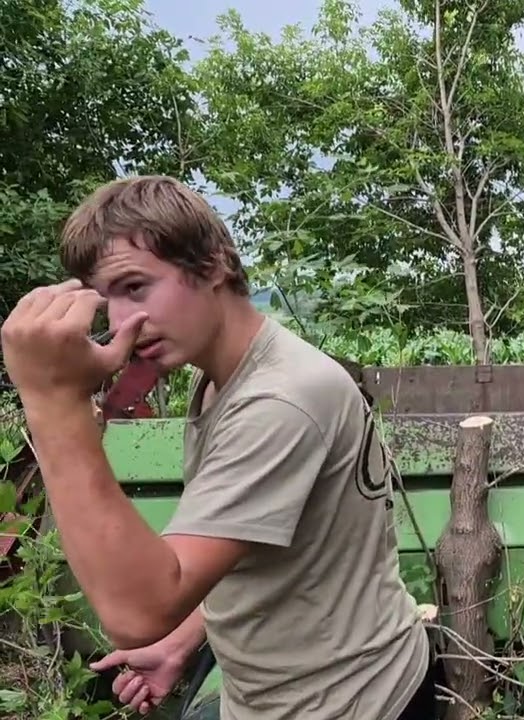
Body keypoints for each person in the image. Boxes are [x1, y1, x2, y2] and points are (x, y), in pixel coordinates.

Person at [0, 175, 438, 719]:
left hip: (351, 702)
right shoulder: (221, 376)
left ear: (214, 265)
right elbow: (252, 540)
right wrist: (181, 640)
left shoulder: (280, 400)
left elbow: (140, 610)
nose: (120, 325)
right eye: (105, 300)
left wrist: (53, 401)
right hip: (278, 692)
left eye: (135, 288)